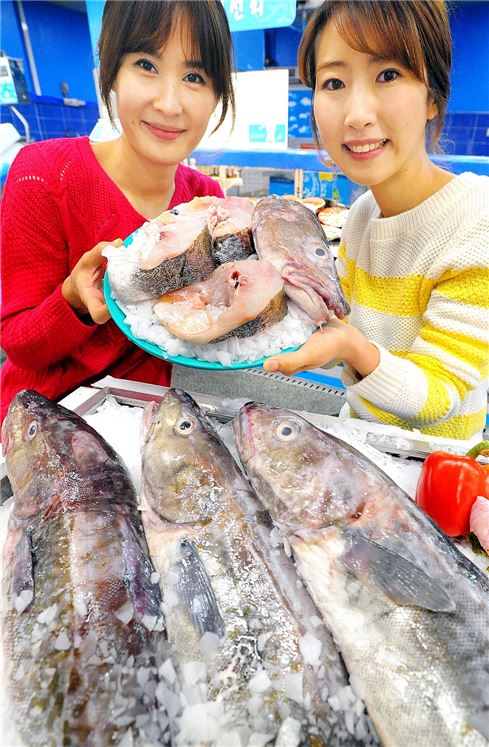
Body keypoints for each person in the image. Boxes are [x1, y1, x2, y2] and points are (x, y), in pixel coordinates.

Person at [0, 0, 235, 425]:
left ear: (217, 94)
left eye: (194, 76)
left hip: (146, 421)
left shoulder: (206, 201)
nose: (168, 103)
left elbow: (206, 334)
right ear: (112, 71)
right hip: (43, 424)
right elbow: (18, 344)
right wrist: (72, 301)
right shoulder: (44, 174)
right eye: (146, 65)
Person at [264, 0, 489, 440]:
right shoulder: (363, 213)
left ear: (432, 96)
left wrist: (349, 346)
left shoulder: (475, 222)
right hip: (358, 441)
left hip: (435, 467)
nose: (357, 115)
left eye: (388, 75)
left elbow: (438, 396)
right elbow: (338, 328)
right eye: (333, 82)